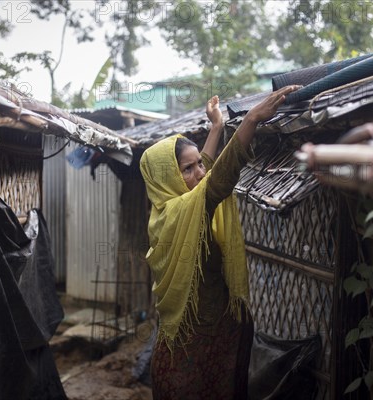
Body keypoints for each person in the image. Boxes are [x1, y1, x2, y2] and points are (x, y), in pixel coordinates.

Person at [140, 85, 301, 399]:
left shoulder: (169, 210)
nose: (200, 172)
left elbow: (206, 174)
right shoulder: (181, 212)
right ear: (166, 179)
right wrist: (250, 120)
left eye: (199, 163)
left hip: (220, 338)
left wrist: (216, 127)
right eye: (187, 168)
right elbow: (216, 182)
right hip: (195, 348)